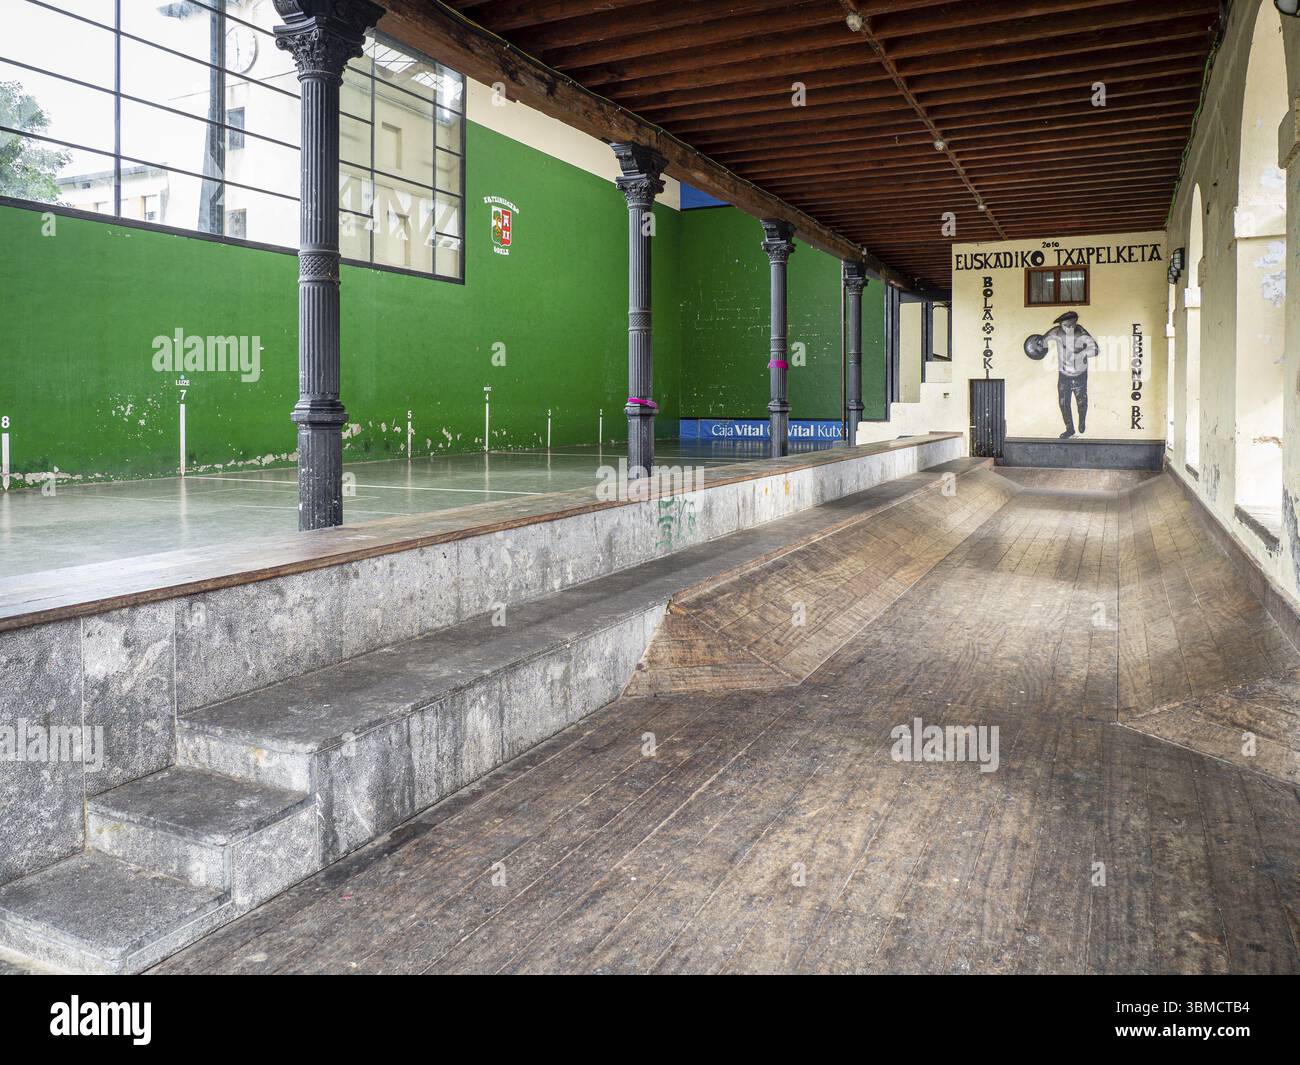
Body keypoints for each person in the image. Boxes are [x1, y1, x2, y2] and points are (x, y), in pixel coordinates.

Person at [1042, 311, 1098, 438]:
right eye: (1066, 326)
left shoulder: (1082, 333)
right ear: (1061, 325)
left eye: (1072, 325)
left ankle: (1082, 420)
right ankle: (1070, 429)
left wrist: (1082, 353)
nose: (1069, 328)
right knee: (1063, 403)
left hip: (1080, 375)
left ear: (1076, 323)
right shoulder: (1056, 332)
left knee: (1081, 402)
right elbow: (1042, 341)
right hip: (1064, 375)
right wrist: (1038, 345)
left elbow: (1095, 349)